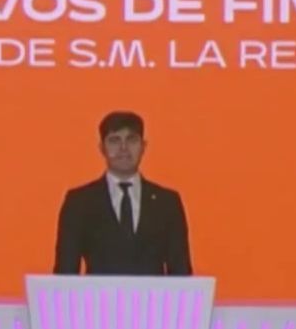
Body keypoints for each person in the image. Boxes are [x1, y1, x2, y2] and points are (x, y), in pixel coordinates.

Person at [53, 111, 193, 276]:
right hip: (99, 293)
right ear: (102, 148)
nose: (124, 148)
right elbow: (65, 273)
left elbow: (181, 272)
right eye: (114, 140)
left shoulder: (167, 203)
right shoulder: (80, 202)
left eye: (132, 140)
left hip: (152, 293)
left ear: (143, 146)